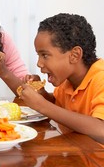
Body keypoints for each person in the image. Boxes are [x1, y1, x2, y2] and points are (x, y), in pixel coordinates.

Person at [19, 13, 104, 144]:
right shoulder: (67, 81)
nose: (39, 63)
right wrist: (42, 94)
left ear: (75, 55)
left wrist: (42, 105)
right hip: (76, 156)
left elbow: (100, 130)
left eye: (45, 55)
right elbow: (59, 109)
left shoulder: (101, 78)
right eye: (38, 55)